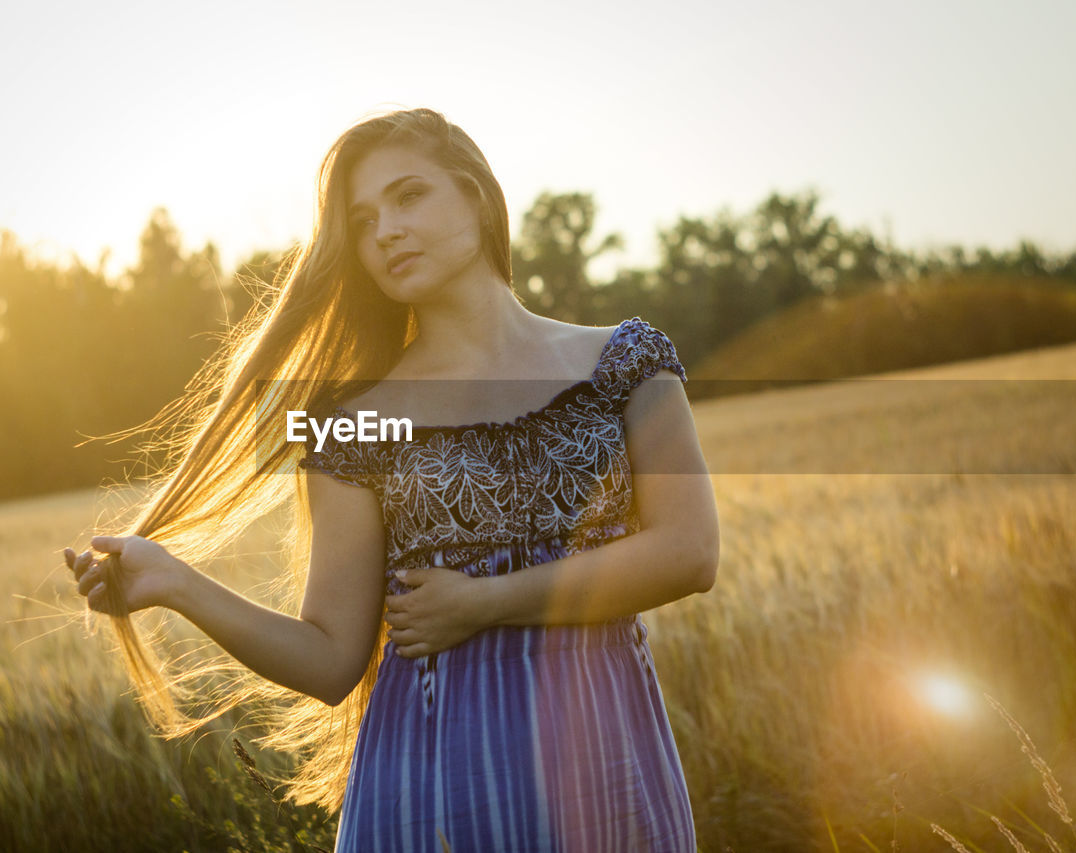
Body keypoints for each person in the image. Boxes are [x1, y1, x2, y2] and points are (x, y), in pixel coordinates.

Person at [64, 107, 719, 851]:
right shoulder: (353, 421)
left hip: (610, 768)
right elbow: (331, 657)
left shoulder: (625, 362)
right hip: (431, 791)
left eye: (409, 196)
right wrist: (177, 583)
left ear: (476, 195)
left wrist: (485, 601)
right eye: (364, 220)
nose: (385, 231)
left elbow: (690, 551)